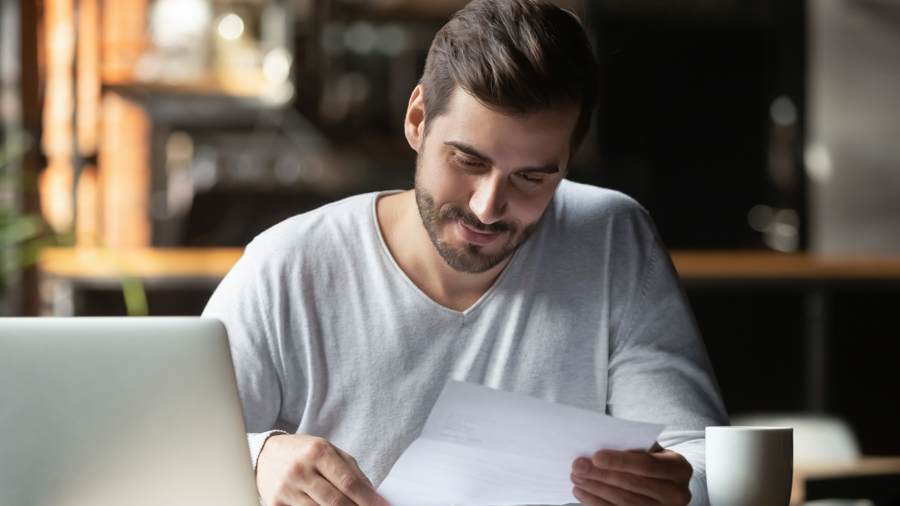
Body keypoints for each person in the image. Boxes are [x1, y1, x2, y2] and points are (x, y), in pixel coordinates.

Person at [202, 1, 729, 505]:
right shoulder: (285, 266)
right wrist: (257, 457)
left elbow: (705, 459)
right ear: (417, 120)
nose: (489, 207)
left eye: (531, 177)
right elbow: (152, 451)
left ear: (568, 163)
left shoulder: (614, 241)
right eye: (467, 161)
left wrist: (676, 488)